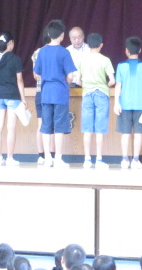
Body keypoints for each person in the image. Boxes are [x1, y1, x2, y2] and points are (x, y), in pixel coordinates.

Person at [33, 20, 76, 168]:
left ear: (49, 34)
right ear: (62, 35)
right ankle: (58, 158)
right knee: (59, 126)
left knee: (46, 126)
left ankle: (47, 158)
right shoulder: (64, 52)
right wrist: (65, 84)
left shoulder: (42, 51)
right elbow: (70, 75)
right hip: (60, 93)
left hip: (45, 93)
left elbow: (37, 73)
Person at [113, 36, 142, 169]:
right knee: (138, 133)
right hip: (140, 104)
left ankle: (125, 159)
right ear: (140, 50)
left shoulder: (121, 66)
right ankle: (136, 159)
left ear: (126, 50)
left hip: (124, 104)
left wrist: (116, 103)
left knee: (125, 133)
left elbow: (118, 85)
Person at [79, 32, 115, 169]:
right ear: (101, 45)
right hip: (102, 94)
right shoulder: (105, 60)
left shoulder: (83, 60)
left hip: (87, 94)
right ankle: (99, 159)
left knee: (87, 129)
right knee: (100, 128)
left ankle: (87, 159)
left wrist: (87, 85)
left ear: (87, 45)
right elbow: (112, 81)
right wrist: (104, 85)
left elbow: (78, 81)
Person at [0, 32, 27, 167]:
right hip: (12, 95)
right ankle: (10, 158)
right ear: (10, 43)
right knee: (10, 128)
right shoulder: (15, 59)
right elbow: (20, 80)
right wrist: (23, 98)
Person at [31, 34, 53, 165]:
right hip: (51, 91)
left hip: (40, 90)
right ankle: (52, 155)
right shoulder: (57, 51)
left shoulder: (37, 52)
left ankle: (41, 155)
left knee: (41, 123)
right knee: (52, 124)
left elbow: (35, 75)